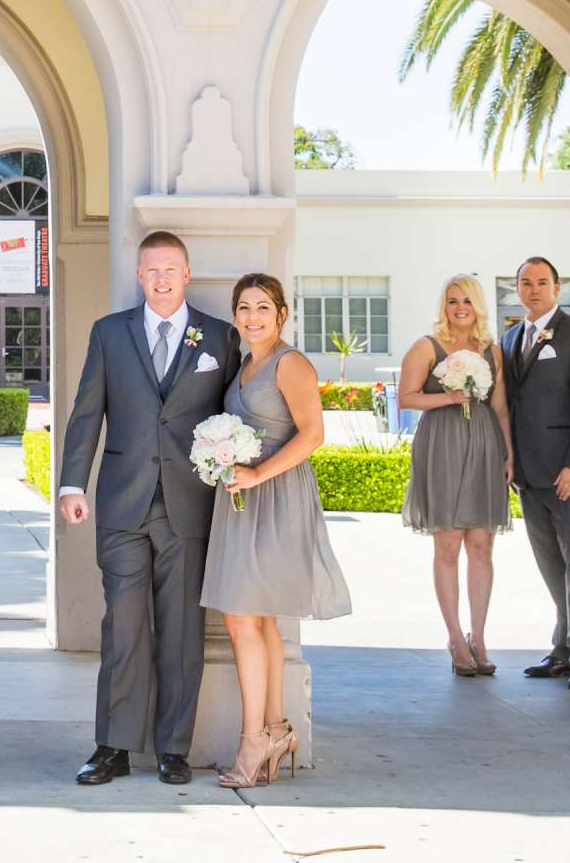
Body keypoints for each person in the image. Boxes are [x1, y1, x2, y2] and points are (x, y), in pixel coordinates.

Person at [57, 229, 236, 786]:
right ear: (139, 276)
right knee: (124, 627)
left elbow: (235, 416)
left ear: (187, 274)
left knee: (184, 629)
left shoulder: (220, 337)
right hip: (122, 505)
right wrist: (70, 485)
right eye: (151, 270)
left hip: (190, 504)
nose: (160, 279)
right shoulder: (110, 334)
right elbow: (87, 412)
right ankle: (112, 746)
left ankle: (173, 748)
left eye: (170, 269)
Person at [204, 272, 350, 788]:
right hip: (243, 499)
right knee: (257, 621)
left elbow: (314, 434)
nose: (252, 317)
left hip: (277, 496)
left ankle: (252, 744)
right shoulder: (247, 364)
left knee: (244, 619)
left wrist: (258, 473)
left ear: (282, 314)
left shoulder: (291, 364)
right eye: (244, 308)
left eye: (263, 307)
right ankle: (275, 731)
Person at [503, 255, 570, 690]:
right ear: (518, 289)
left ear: (558, 288)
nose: (534, 289)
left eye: (542, 282)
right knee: (552, 566)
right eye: (526, 282)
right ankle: (563, 649)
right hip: (530, 475)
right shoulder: (512, 338)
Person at [397, 273, 513, 678]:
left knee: (482, 544)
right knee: (447, 544)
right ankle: (455, 638)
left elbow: (500, 409)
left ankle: (478, 635)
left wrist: (507, 454)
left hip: (484, 445)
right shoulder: (426, 347)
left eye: (466, 300)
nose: (459, 307)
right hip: (442, 445)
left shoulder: (492, 351)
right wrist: (449, 395)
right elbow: (406, 397)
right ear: (443, 306)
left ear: (478, 305)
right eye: (451, 301)